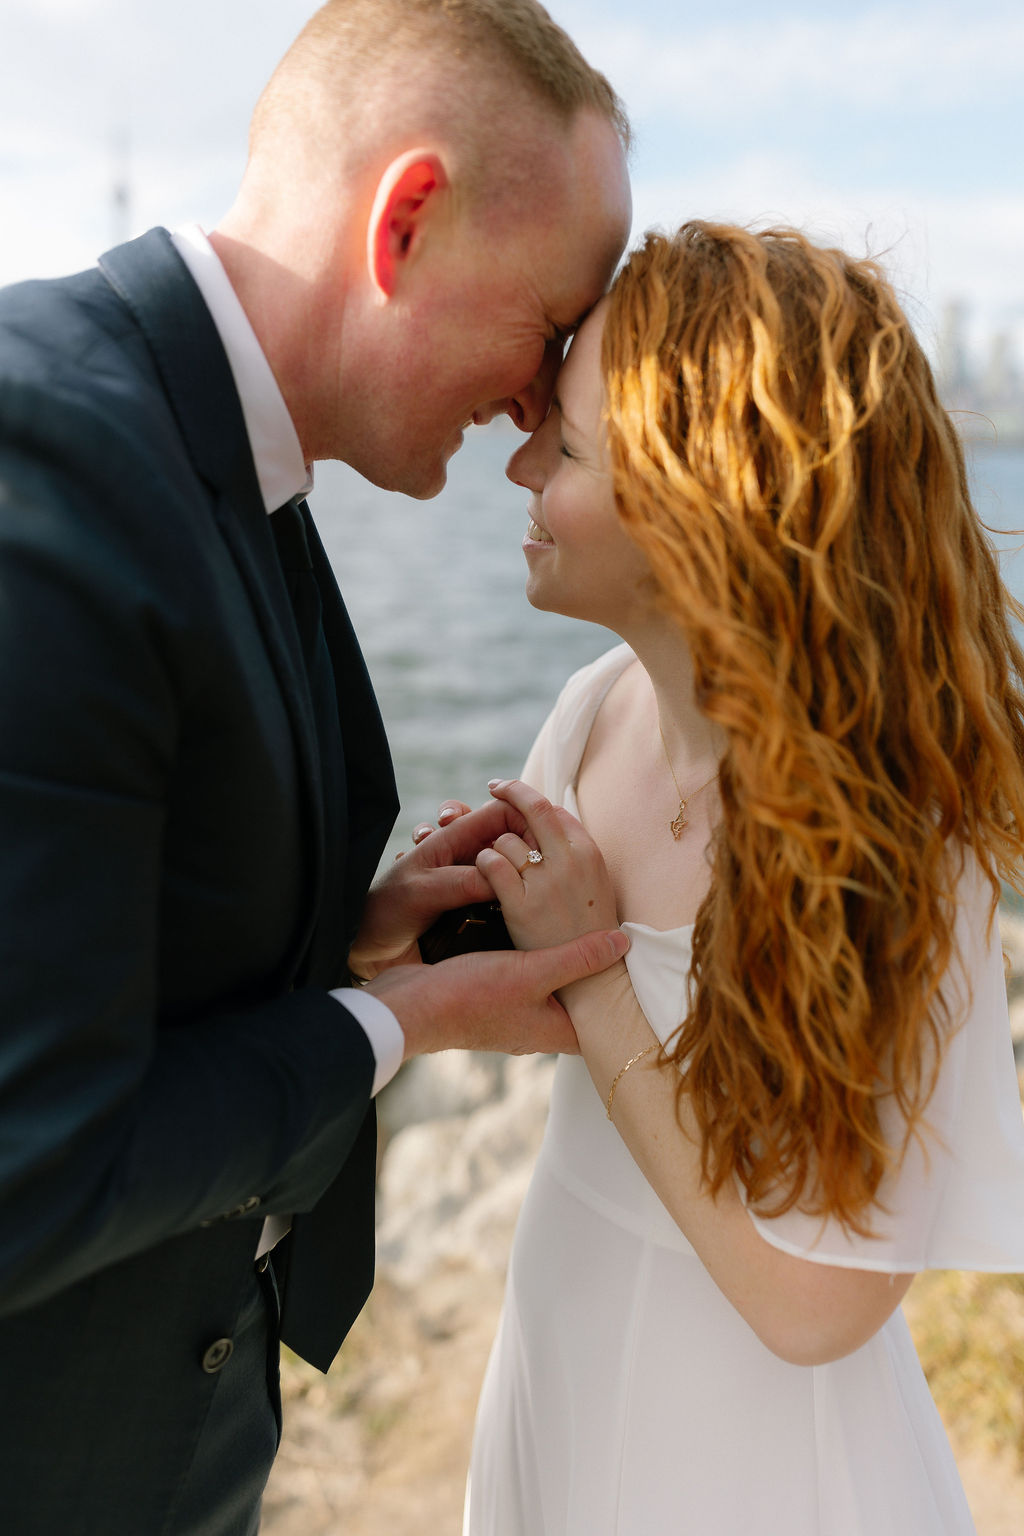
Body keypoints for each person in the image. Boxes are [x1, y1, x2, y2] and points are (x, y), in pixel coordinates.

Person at [0, 3, 632, 1533]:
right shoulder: (46, 467)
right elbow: (30, 1165)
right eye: (551, 328)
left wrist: (350, 930)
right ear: (405, 217)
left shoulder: (235, 457)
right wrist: (395, 1023)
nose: (544, 404)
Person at [458, 222, 1024, 1534]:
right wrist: (399, 936)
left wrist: (590, 971)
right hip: (563, 1353)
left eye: (571, 448)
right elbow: (511, 998)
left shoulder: (901, 839)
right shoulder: (595, 712)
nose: (519, 462)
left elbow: (816, 1306)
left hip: (749, 1470)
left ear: (698, 514)